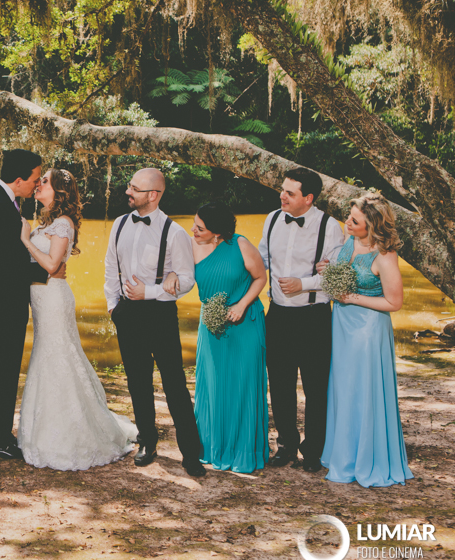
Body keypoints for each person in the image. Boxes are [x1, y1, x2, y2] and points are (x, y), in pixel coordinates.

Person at [17, 169, 137, 470]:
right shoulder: (46, 222)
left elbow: (51, 265)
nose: (38, 184)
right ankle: (40, 429)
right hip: (40, 299)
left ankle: (73, 434)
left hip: (54, 299)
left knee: (59, 355)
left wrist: (26, 240)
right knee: (46, 355)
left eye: (45, 181)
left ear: (58, 191)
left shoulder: (63, 223)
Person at [104, 167, 206, 477]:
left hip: (160, 315)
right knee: (137, 381)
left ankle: (191, 453)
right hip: (127, 314)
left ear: (153, 195)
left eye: (134, 188)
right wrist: (113, 307)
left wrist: (149, 292)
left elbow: (186, 280)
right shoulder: (120, 224)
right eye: (129, 185)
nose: (127, 191)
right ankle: (147, 441)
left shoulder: (174, 233)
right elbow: (110, 267)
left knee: (174, 384)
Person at [0, 149, 66, 460]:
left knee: (4, 370)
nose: (36, 184)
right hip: (3, 303)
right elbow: (5, 263)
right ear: (19, 179)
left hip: (1, 300)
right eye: (35, 178)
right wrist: (47, 272)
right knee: (3, 371)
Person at [320, 193, 412, 487]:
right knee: (343, 388)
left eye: (355, 221)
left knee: (362, 390)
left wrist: (352, 298)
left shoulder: (385, 256)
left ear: (372, 226)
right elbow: (343, 273)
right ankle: (343, 454)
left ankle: (365, 460)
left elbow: (394, 302)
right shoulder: (350, 241)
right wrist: (329, 271)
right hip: (342, 324)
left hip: (368, 330)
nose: (347, 222)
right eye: (349, 216)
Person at [257, 168, 345, 472]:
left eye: (289, 192)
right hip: (278, 316)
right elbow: (260, 261)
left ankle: (314, 450)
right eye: (282, 190)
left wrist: (304, 284)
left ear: (308, 198)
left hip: (313, 318)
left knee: (316, 387)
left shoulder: (330, 227)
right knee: (280, 384)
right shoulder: (271, 219)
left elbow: (337, 277)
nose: (282, 196)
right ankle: (286, 446)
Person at [188, 202, 269, 473]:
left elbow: (260, 277)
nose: (193, 230)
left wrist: (241, 305)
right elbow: (177, 273)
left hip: (244, 324)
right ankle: (212, 448)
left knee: (243, 385)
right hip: (211, 326)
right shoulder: (189, 245)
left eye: (200, 228)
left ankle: (244, 450)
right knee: (213, 385)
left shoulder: (241, 245)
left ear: (218, 233)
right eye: (194, 224)